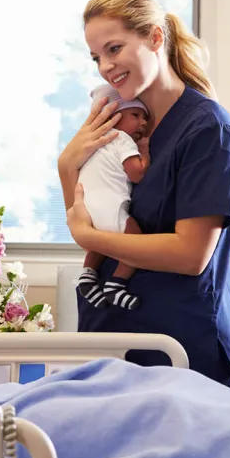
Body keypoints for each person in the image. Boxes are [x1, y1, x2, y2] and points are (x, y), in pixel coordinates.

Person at [58, 0, 230, 388]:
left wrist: (87, 235)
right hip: (108, 331)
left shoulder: (208, 130)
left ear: (156, 37)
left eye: (114, 48)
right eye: (96, 57)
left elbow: (190, 254)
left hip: (176, 344)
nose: (105, 66)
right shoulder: (117, 123)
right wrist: (66, 165)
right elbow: (91, 220)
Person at [76, 82, 151, 311]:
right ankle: (117, 284)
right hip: (111, 203)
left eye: (145, 117)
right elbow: (136, 174)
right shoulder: (121, 139)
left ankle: (87, 277)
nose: (144, 123)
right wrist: (145, 150)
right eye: (136, 115)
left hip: (89, 206)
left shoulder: (91, 144)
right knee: (135, 240)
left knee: (99, 244)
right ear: (114, 117)